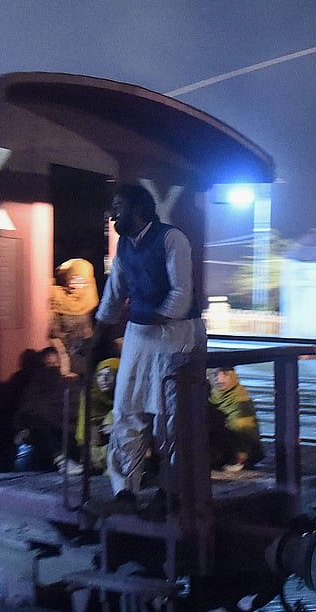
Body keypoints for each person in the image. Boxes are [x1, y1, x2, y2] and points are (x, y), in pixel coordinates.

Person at [91, 184, 205, 515]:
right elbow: (113, 295)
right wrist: (98, 334)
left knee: (170, 417)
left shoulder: (172, 239)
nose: (112, 215)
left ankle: (172, 490)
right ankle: (124, 488)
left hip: (176, 333)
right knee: (127, 408)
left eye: (118, 207)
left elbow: (181, 294)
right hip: (141, 333)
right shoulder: (124, 247)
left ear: (138, 209)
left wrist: (150, 315)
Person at [12, 348, 81, 473]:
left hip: (67, 427)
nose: (52, 366)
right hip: (40, 430)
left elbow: (75, 402)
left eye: (55, 363)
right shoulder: (38, 379)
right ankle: (61, 460)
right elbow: (29, 404)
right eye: (48, 363)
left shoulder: (72, 380)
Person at [49, 258, 99, 379]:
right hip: (64, 363)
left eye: (81, 280)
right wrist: (65, 367)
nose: (75, 284)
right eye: (73, 279)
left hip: (83, 361)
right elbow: (55, 335)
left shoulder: (88, 299)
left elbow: (88, 332)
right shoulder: (57, 296)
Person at [207, 367, 263, 471]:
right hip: (220, 446)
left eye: (225, 374)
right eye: (215, 374)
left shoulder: (239, 402)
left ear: (232, 376)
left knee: (238, 423)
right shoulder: (209, 392)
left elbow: (244, 431)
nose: (219, 379)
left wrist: (240, 458)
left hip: (241, 452)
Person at [75, 357, 119, 474]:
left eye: (109, 375)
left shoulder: (127, 394)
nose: (103, 380)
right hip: (96, 449)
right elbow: (84, 428)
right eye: (99, 375)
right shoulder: (91, 395)